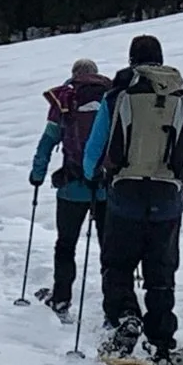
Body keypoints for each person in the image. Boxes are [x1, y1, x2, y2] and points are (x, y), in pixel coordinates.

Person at [85, 33, 183, 365]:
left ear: (131, 60)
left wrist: (95, 178)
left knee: (118, 264)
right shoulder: (180, 96)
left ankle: (126, 319)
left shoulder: (118, 95)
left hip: (125, 194)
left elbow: (94, 152)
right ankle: (163, 348)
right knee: (161, 274)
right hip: (167, 197)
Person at [27, 58, 111, 317]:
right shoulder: (111, 97)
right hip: (106, 188)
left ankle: (62, 297)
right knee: (110, 248)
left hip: (72, 188)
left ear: (74, 74)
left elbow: (47, 142)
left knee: (66, 244)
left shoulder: (65, 99)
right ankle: (114, 304)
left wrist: (37, 175)